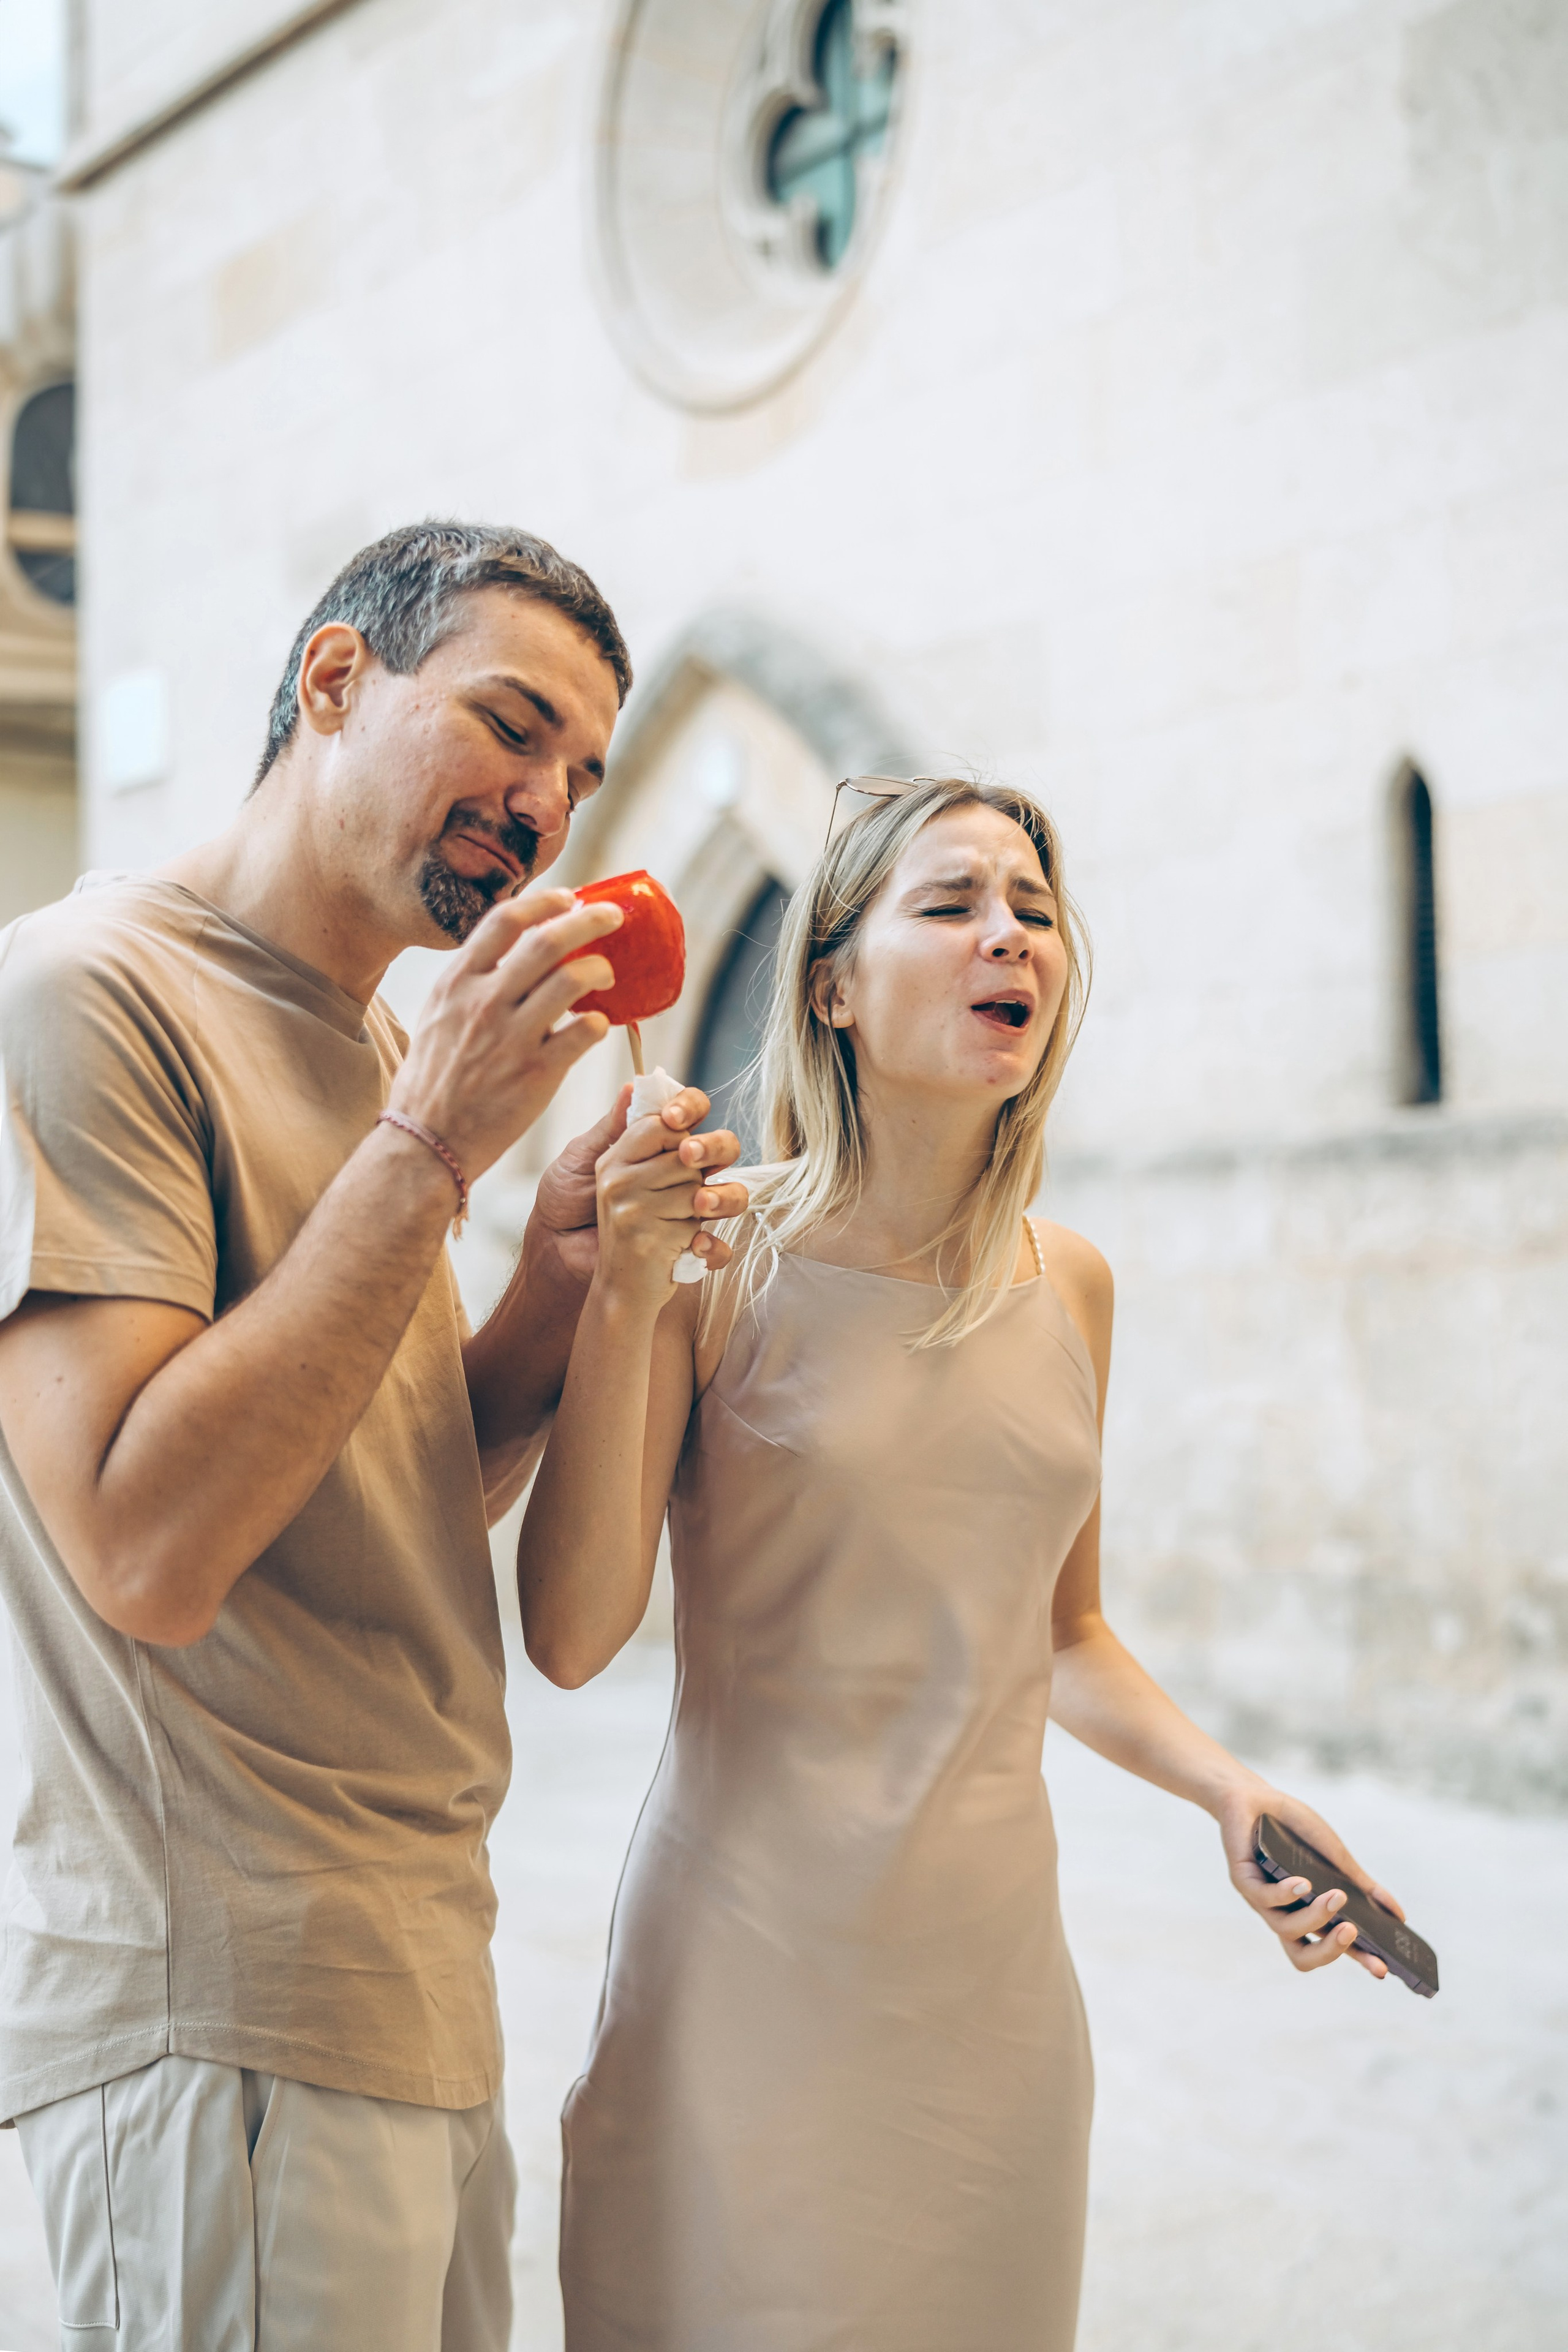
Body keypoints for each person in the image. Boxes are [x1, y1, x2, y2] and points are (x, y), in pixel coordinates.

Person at [517, 776, 1408, 2352]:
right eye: (952, 903)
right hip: (743, 1982)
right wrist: (621, 1295)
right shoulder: (712, 1261)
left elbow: (1058, 1632)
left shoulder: (1069, 1286)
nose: (1011, 935)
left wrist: (1225, 1790)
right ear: (830, 990)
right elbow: (574, 1637)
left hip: (989, 2008)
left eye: (1035, 908)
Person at [0, 519, 747, 2352]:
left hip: (407, 1972)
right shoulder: (83, 993)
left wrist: (559, 1283)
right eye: (509, 725)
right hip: (226, 2005)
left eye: (576, 772)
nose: (544, 807)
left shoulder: (364, 1047)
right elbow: (146, 1550)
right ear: (333, 678)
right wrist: (430, 1155)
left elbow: (373, 1490)